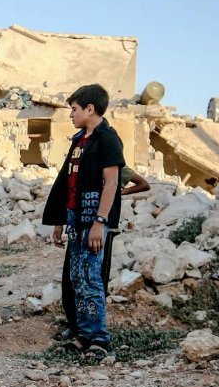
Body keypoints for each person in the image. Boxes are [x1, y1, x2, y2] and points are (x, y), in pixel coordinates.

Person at [41, 83, 125, 358]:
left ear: (90, 109)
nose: (71, 114)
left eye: (74, 109)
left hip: (93, 221)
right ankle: (82, 334)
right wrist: (59, 221)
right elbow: (67, 182)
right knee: (77, 278)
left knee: (91, 279)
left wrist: (100, 222)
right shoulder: (79, 141)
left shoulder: (108, 139)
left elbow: (111, 183)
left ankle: (99, 339)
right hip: (75, 220)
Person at [54, 165, 150, 342]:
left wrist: (118, 193)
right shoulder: (83, 164)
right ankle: (74, 325)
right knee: (71, 279)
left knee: (95, 279)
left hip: (104, 229)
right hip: (80, 227)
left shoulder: (117, 167)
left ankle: (95, 331)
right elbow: (68, 193)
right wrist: (59, 223)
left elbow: (144, 185)